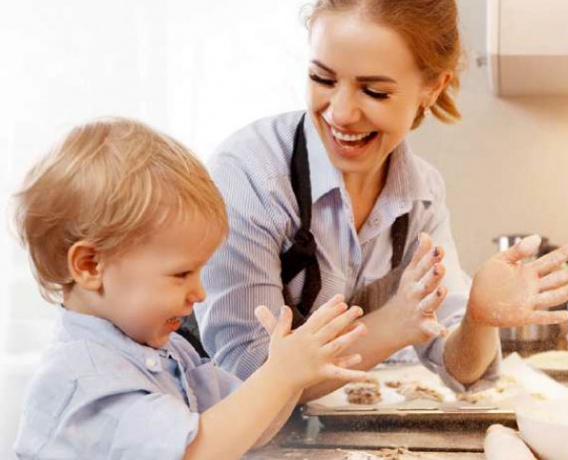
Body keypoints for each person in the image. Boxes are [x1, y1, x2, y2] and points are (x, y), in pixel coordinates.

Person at [197, 0, 568, 402]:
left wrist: (478, 319)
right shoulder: (250, 175)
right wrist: (392, 325)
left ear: (432, 88)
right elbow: (246, 375)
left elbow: (460, 369)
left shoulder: (421, 196)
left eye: (374, 91)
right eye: (322, 79)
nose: (341, 112)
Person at [12, 118, 367, 460]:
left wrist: (289, 376)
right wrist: (280, 376)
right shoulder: (85, 381)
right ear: (90, 266)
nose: (199, 293)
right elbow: (197, 451)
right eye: (181, 274)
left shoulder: (171, 351)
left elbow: (247, 430)